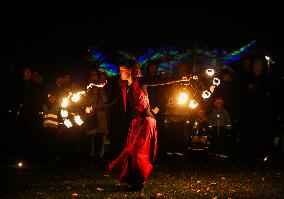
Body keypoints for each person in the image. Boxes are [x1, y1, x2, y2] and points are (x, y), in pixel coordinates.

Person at [108, 62, 158, 192]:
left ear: (130, 70)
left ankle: (140, 181)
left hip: (146, 122)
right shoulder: (127, 87)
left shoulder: (140, 81)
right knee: (131, 152)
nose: (120, 73)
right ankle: (133, 180)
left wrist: (182, 78)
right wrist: (93, 108)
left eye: (122, 70)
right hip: (136, 123)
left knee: (137, 151)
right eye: (120, 70)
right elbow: (113, 103)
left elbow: (158, 81)